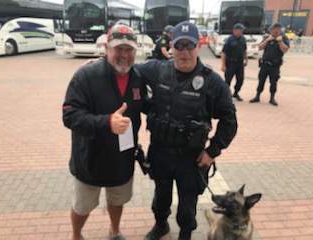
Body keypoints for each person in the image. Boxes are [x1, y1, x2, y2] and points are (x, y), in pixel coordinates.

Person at [134, 21, 238, 240]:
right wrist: (100, 64)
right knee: (161, 196)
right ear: (171, 46)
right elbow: (126, 68)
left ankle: (185, 234)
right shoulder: (156, 69)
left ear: (198, 46)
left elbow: (230, 120)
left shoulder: (213, 82)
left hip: (191, 158)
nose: (184, 52)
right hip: (160, 152)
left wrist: (212, 151)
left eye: (189, 46)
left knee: (187, 203)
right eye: (178, 46)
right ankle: (161, 225)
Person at [62, 25, 149, 240]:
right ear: (106, 48)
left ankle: (115, 230)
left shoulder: (138, 78)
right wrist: (106, 122)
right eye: (118, 49)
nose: (124, 55)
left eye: (129, 49)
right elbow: (70, 116)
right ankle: (76, 235)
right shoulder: (86, 76)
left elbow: (150, 106)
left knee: (117, 199)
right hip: (90, 158)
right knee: (82, 206)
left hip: (122, 157)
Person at [249, 23, 289, 106]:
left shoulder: (284, 39)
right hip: (265, 64)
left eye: (273, 29)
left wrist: (280, 41)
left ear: (278, 30)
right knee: (261, 81)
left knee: (273, 82)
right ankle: (257, 96)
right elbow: (260, 47)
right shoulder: (267, 37)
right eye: (271, 29)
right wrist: (267, 40)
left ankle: (272, 98)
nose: (271, 31)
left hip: (275, 65)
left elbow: (285, 50)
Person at [221, 23, 248, 101]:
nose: (242, 31)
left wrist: (246, 59)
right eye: (241, 29)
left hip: (240, 63)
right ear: (235, 30)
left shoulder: (243, 39)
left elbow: (244, 50)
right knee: (227, 80)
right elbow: (224, 53)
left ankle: (236, 93)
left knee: (240, 79)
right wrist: (223, 65)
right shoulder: (229, 40)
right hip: (230, 63)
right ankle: (225, 95)